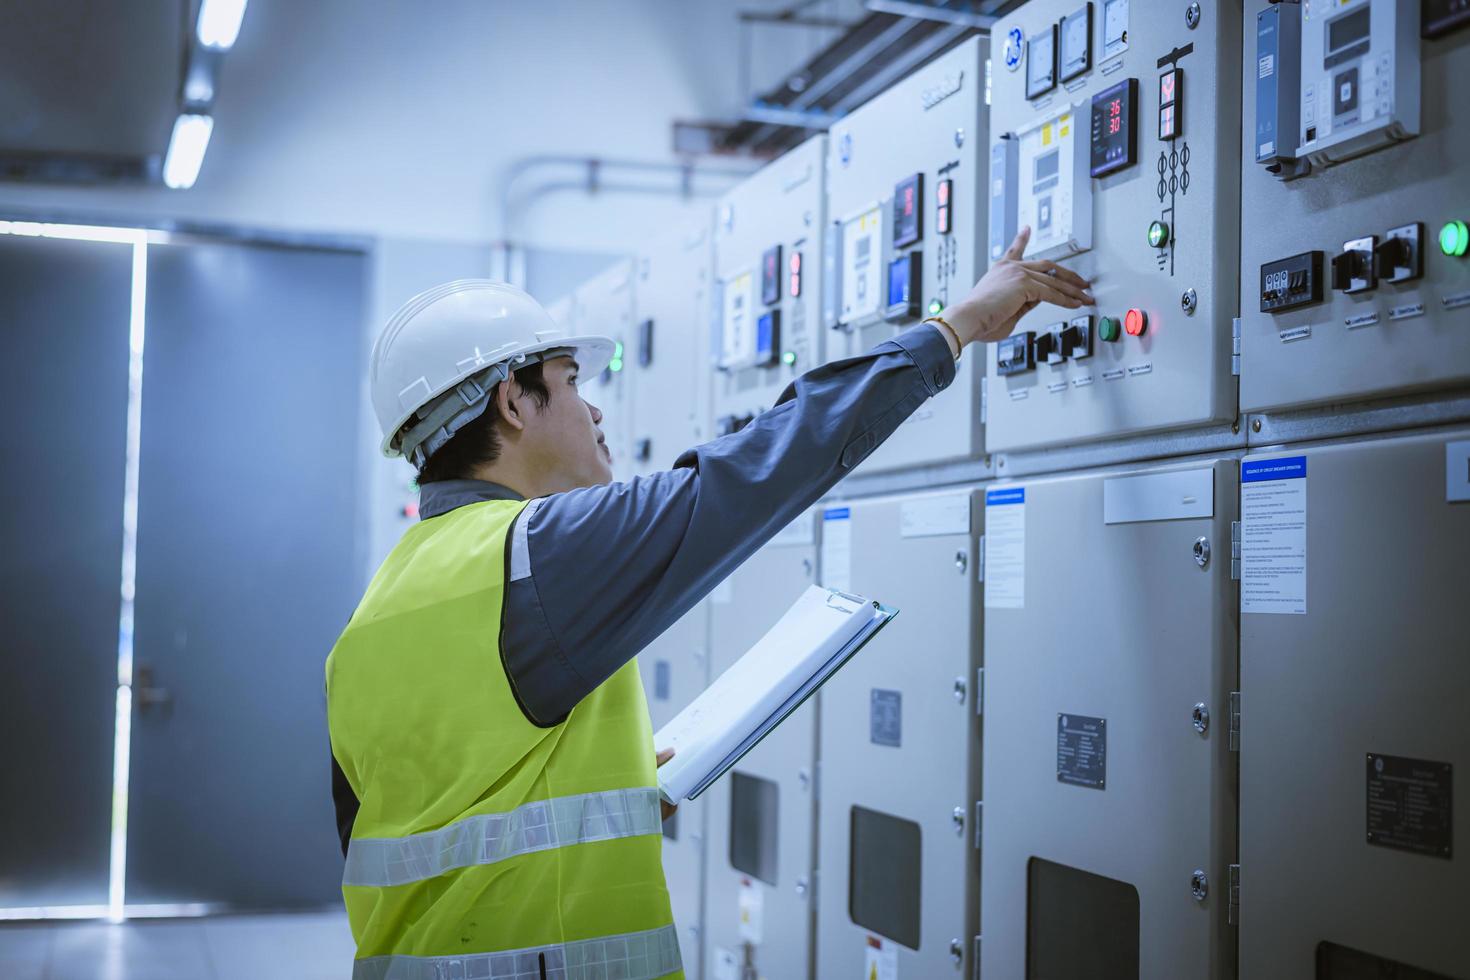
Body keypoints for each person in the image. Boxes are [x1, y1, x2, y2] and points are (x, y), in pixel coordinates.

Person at [325, 228, 1090, 979]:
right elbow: (757, 470)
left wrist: (609, 803)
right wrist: (952, 330)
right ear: (513, 405)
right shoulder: (534, 554)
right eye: (571, 383)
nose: (593, 414)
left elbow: (419, 827)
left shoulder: (368, 624)